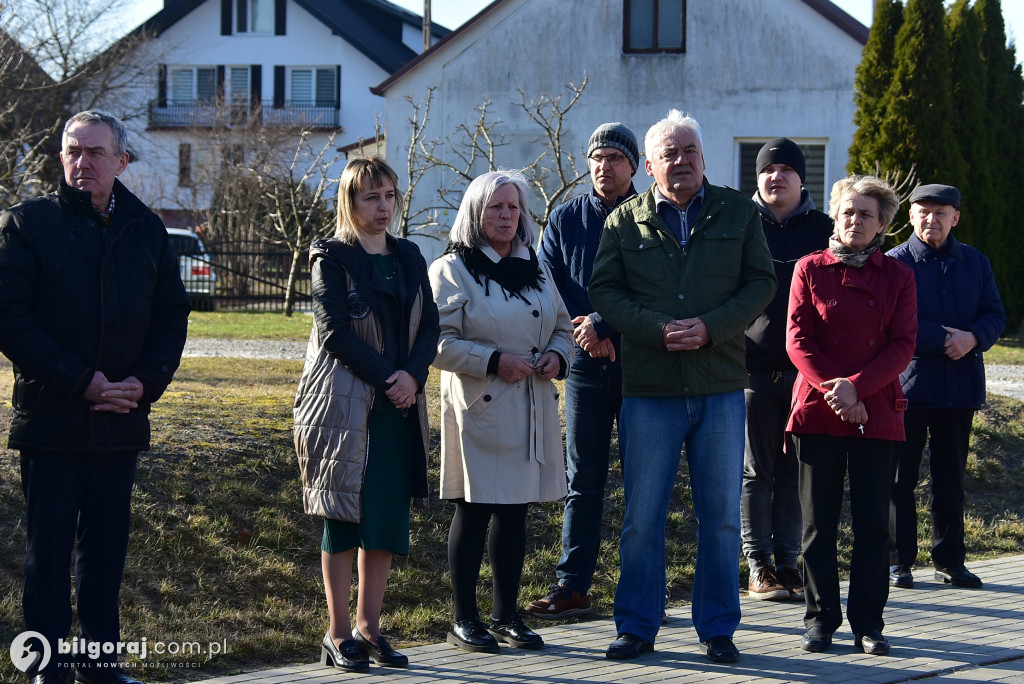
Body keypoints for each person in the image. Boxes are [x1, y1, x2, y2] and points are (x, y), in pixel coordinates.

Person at [0, 110, 190, 684]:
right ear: (61, 158)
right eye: (72, 151)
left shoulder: (147, 229)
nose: (82, 163)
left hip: (121, 418)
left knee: (106, 553)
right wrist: (79, 380)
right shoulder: (28, 223)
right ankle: (47, 667)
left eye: (95, 153)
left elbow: (171, 316)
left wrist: (146, 382)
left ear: (122, 160)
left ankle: (100, 665)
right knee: (47, 554)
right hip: (53, 415)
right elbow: (9, 318)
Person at [589, 110, 776, 663]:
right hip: (650, 390)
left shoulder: (739, 212)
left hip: (720, 386)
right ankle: (637, 625)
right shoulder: (624, 222)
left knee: (719, 515)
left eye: (689, 150)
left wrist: (713, 327)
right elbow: (605, 289)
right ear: (649, 166)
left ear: (704, 156)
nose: (682, 161)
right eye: (669, 153)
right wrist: (656, 330)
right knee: (642, 516)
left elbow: (761, 282)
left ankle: (718, 628)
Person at [293, 157, 439, 672]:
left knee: (385, 520)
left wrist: (414, 376)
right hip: (347, 405)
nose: (383, 207)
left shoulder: (410, 255)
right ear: (350, 203)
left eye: (390, 196)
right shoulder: (330, 257)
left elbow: (430, 330)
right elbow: (333, 333)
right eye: (371, 197)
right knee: (345, 518)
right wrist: (390, 378)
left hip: (400, 405)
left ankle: (369, 628)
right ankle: (337, 634)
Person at [429, 169, 573, 654]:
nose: (507, 216)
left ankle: (506, 615)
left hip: (531, 403)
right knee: (474, 510)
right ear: (475, 214)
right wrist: (493, 360)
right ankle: (464, 619)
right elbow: (436, 343)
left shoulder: (535, 265)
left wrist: (557, 356)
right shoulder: (452, 269)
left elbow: (561, 325)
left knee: (515, 514)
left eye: (514, 207)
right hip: (481, 405)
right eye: (496, 207)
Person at [786, 175, 917, 656]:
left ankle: (869, 624)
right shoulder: (809, 268)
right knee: (818, 524)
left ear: (882, 224)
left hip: (876, 411)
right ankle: (820, 620)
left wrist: (857, 389)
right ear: (834, 217)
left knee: (872, 526)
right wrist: (837, 391)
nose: (855, 221)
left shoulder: (899, 276)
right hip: (819, 410)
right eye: (847, 212)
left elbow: (903, 345)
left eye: (866, 214)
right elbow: (797, 340)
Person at [528, 123, 639, 619]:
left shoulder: (652, 214)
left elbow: (655, 286)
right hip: (585, 369)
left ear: (634, 165)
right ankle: (572, 585)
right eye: (596, 157)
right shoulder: (566, 217)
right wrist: (587, 334)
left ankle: (642, 587)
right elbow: (549, 281)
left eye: (615, 157)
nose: (604, 166)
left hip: (642, 366)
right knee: (583, 480)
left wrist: (605, 325)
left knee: (645, 481)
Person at [886, 184, 1005, 590]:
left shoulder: (975, 261)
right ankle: (899, 561)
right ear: (911, 216)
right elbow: (890, 324)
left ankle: (950, 561)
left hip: (959, 389)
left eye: (940, 212)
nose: (931, 219)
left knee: (950, 479)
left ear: (956, 217)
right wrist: (944, 340)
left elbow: (994, 314)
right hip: (909, 389)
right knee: (899, 480)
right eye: (923, 212)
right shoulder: (894, 264)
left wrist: (973, 338)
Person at [742, 139, 832, 601]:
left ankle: (787, 562)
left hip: (807, 377)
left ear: (802, 178)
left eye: (785, 169)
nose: (776, 176)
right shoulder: (738, 224)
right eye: (767, 169)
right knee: (757, 472)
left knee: (794, 473)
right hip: (751, 372)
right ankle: (758, 565)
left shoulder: (825, 230)